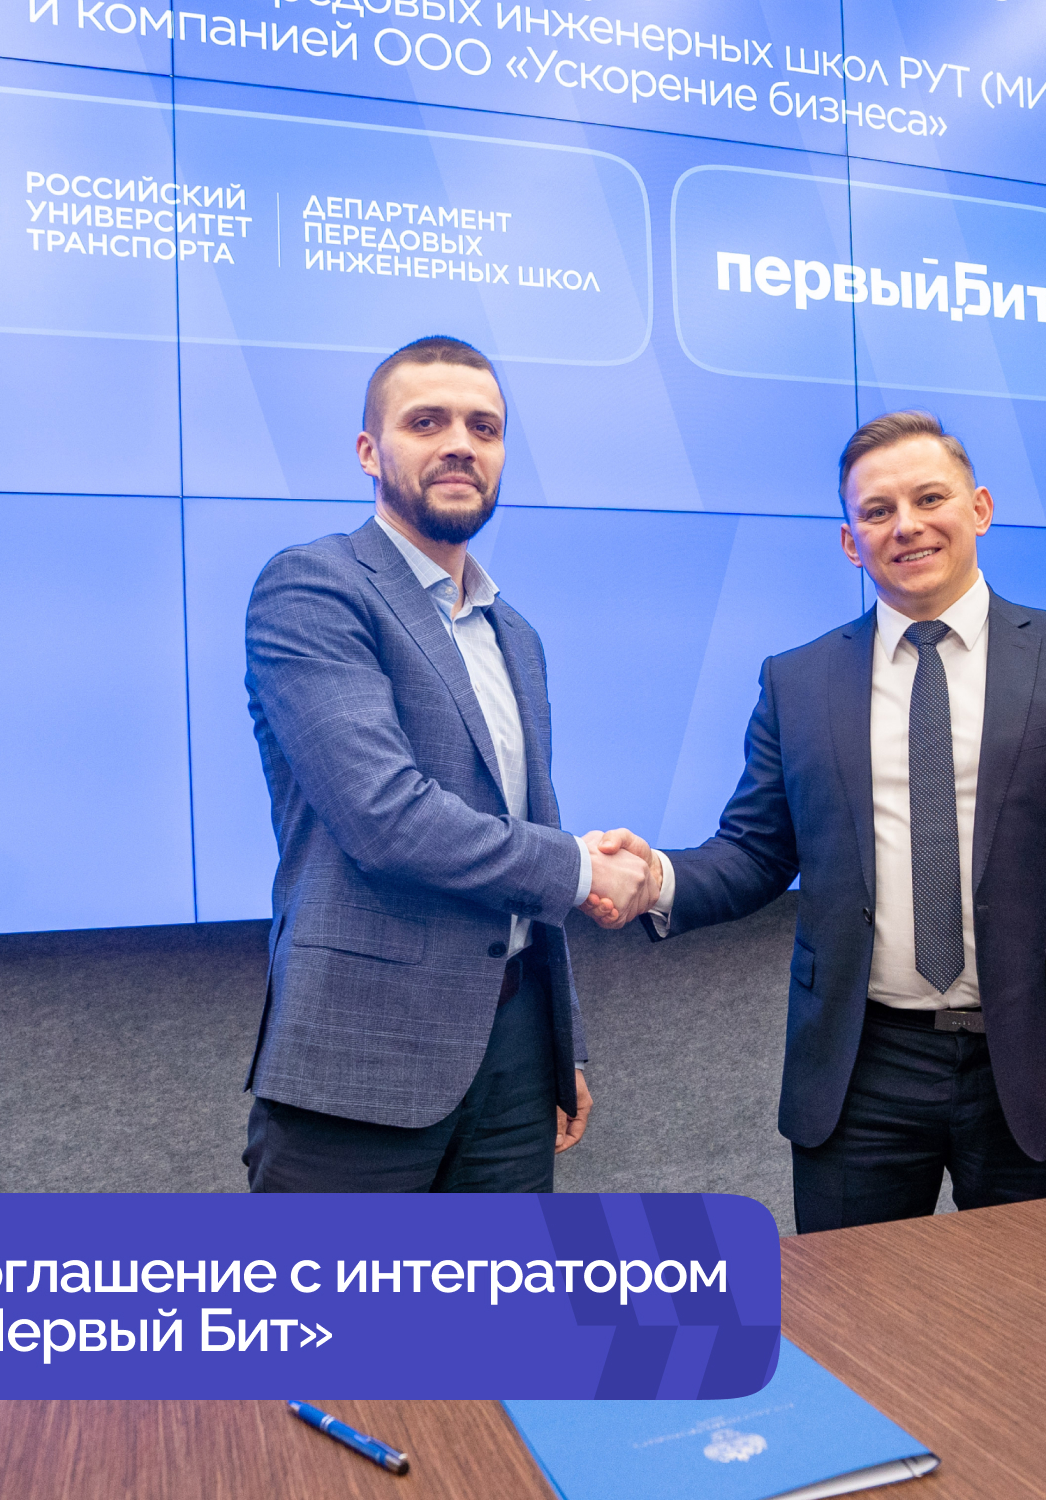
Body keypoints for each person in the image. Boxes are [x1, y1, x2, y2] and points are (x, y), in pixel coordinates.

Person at [587, 411, 1046, 1231]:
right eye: (877, 511)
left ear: (980, 509)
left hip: (1037, 1062)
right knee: (855, 1307)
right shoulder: (798, 682)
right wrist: (655, 879)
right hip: (860, 1069)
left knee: (1032, 1305)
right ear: (852, 543)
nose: (906, 525)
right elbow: (754, 852)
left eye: (929, 498)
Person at [241, 334, 656, 1193]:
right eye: (426, 422)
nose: (461, 444)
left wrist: (560, 1045)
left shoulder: (516, 634)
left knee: (505, 1290)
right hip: (359, 1059)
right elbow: (386, 818)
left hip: (513, 1057)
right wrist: (585, 870)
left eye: (484, 428)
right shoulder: (314, 588)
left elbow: (524, 828)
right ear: (369, 451)